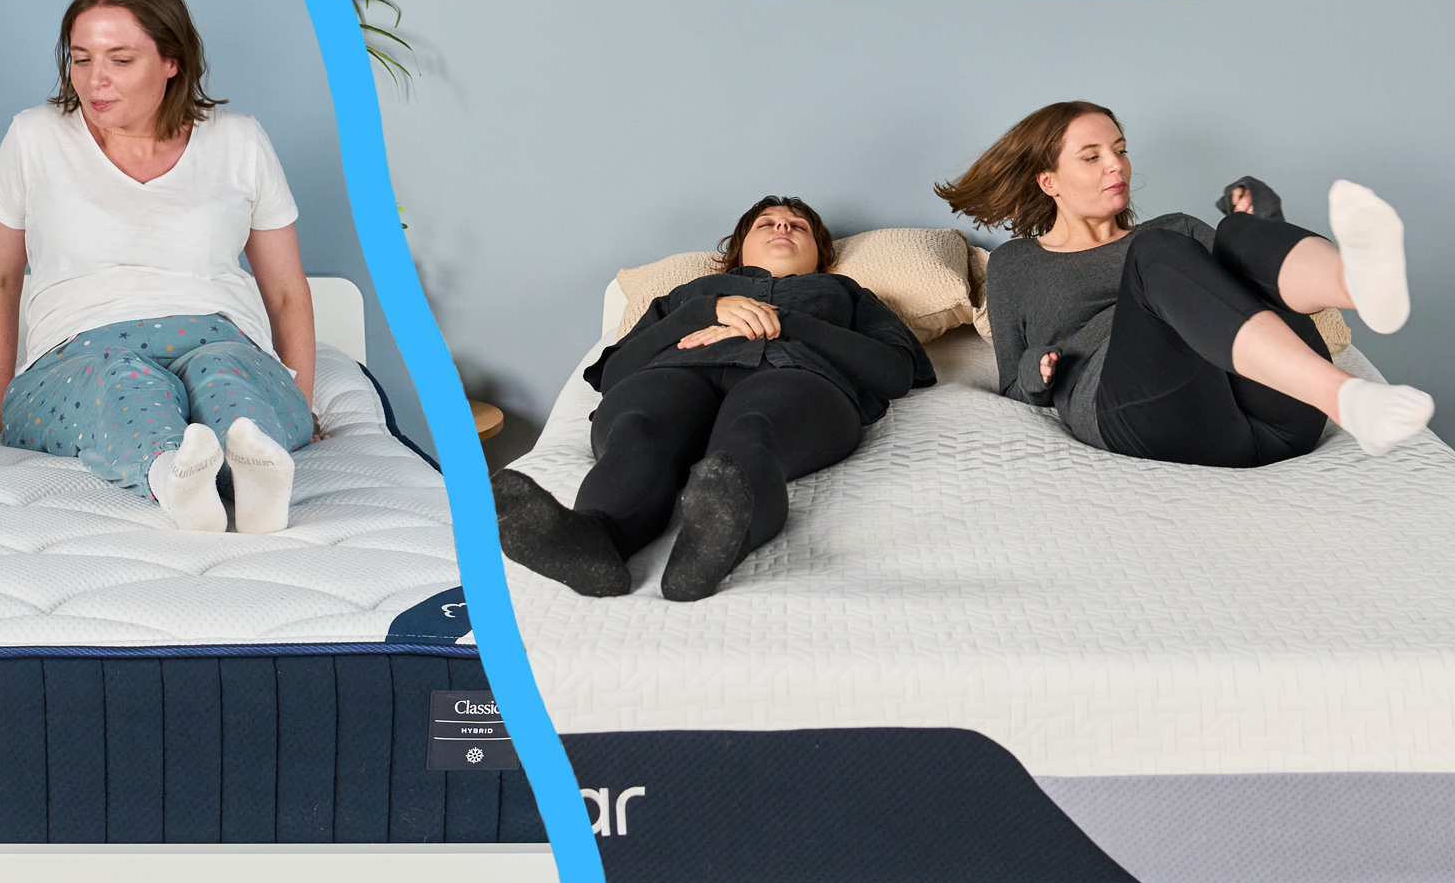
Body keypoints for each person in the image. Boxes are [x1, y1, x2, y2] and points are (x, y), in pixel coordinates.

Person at [0, 0, 318, 536]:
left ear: (171, 60)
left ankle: (258, 469)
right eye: (81, 58)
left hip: (222, 335)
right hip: (81, 348)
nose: (95, 80)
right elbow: (1, 280)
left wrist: (298, 404)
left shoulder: (240, 141)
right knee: (124, 379)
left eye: (121, 59)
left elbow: (285, 290)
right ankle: (174, 478)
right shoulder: (33, 137)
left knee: (222, 375)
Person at [937, 100, 1433, 467]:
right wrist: (1033, 373)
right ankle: (1347, 396)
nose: (1117, 165)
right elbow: (1011, 389)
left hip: (1284, 417)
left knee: (1234, 235)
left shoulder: (1176, 229)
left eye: (1121, 150)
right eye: (1092, 157)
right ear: (1050, 182)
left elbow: (1254, 293)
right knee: (1158, 254)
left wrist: (1266, 223)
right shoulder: (1016, 265)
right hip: (1150, 414)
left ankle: (1356, 283)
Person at [493, 196, 935, 602]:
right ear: (740, 248)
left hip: (795, 375)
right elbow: (614, 373)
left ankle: (713, 544)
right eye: (767, 223)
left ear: (821, 254)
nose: (783, 225)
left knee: (749, 435)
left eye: (797, 225)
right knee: (639, 431)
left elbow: (894, 373)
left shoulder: (848, 294)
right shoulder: (689, 294)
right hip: (675, 372)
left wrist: (784, 321)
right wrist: (705, 310)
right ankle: (594, 540)